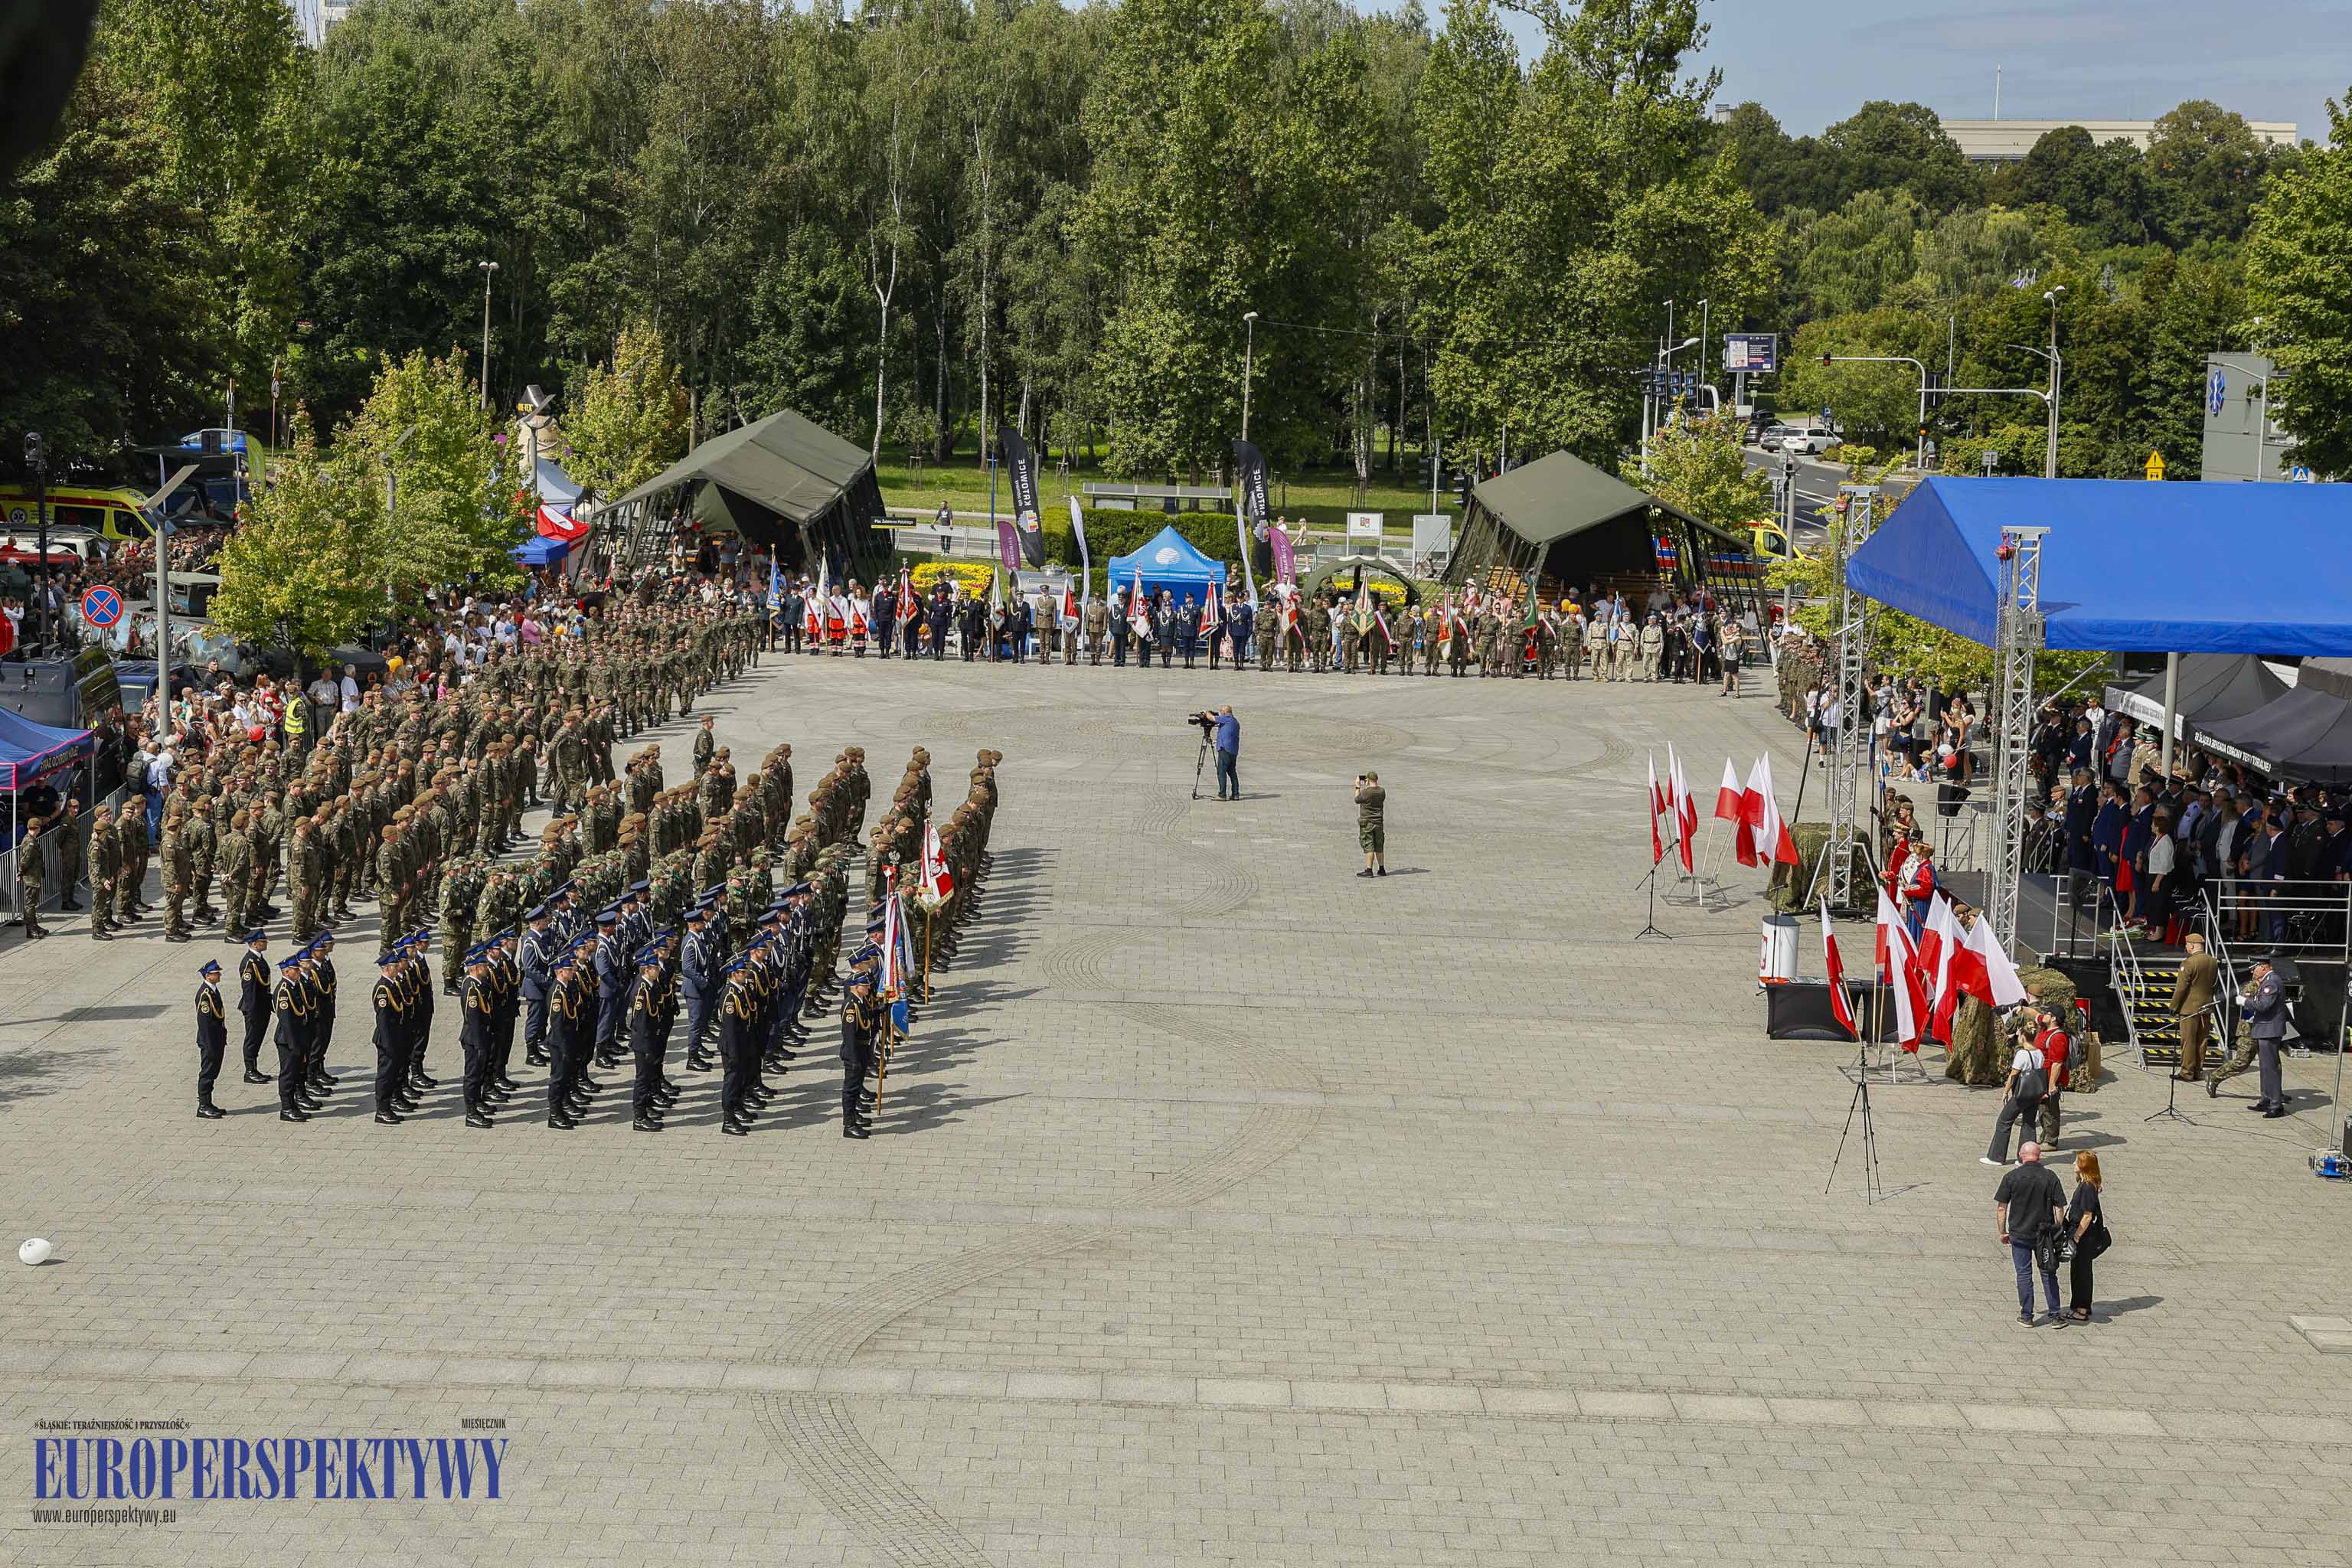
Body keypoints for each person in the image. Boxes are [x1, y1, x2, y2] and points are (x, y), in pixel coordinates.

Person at [1994, 1141, 2067, 1326]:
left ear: (2021, 1155)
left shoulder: (2011, 1177)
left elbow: (2002, 1208)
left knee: (2024, 1274)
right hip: (2044, 1235)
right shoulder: (2050, 1177)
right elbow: (2059, 1208)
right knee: (2048, 1273)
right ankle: (2055, 1315)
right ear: (2039, 1156)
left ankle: (2027, 1316)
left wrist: (2003, 1232)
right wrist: (2057, 1229)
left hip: (2019, 1233)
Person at [1982, 1018, 2047, 1166]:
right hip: (2035, 1094)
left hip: (2021, 1094)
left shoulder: (2022, 1054)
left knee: (2004, 1121)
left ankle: (1996, 1156)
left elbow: (2013, 1075)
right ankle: (2026, 1158)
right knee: (2029, 1123)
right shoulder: (2039, 1053)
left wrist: (2005, 1092)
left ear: (2022, 1036)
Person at [2063, 1151, 2108, 1322]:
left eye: (2077, 1162)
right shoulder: (2084, 1184)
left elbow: (2088, 1216)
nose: (2074, 1164)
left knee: (2082, 1272)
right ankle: (2078, 1306)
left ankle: (2082, 1308)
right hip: (2079, 1233)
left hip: (2083, 1236)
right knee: (2077, 1271)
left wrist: (2077, 1236)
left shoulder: (2088, 1187)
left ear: (2084, 1166)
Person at [2170, 931, 2218, 1080]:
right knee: (2202, 1040)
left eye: (2186, 945)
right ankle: (2198, 1070)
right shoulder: (2213, 961)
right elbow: (2214, 984)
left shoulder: (2189, 963)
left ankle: (2187, 1072)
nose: (2186, 948)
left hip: (2189, 1008)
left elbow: (2181, 988)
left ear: (2191, 946)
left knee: (2188, 1041)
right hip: (2206, 1007)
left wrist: (2174, 1006)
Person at [194, 956, 227, 1119]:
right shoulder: (205, 995)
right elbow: (204, 1023)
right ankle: (203, 1105)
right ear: (208, 976)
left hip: (216, 1039)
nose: (219, 975)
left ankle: (208, 1103)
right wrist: (210, 1045)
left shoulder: (213, 991)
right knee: (207, 1073)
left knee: (213, 1072)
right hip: (210, 1042)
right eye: (216, 973)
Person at [1354, 771, 1387, 878]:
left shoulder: (1366, 792)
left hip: (1367, 822)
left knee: (1369, 846)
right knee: (1379, 846)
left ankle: (1369, 870)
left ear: (1368, 780)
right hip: (1379, 822)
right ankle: (1381, 869)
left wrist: (1357, 787)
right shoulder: (1382, 791)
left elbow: (1357, 799)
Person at [1208, 705, 1240, 801]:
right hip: (1233, 750)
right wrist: (1217, 741)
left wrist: (1206, 713)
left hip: (1225, 750)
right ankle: (1235, 794)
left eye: (1221, 711)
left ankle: (1222, 795)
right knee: (1232, 772)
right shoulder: (1235, 721)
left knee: (1221, 772)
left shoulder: (1226, 718)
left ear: (1225, 712)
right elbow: (1228, 734)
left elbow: (1211, 718)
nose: (1220, 712)